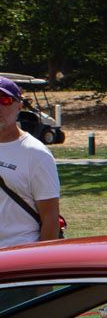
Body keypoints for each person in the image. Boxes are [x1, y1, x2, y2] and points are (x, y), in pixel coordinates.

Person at [0, 76, 61, 247]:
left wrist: (42, 263)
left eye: (4, 100)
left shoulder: (36, 153)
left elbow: (50, 218)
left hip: (18, 255)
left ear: (19, 105)